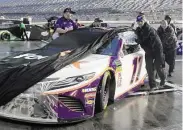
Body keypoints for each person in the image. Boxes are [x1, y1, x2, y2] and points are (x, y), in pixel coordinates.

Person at [135, 15, 166, 90]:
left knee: (158, 67)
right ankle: (153, 85)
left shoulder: (148, 28)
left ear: (144, 21)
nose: (139, 23)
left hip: (157, 50)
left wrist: (134, 39)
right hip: (149, 50)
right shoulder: (139, 29)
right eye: (138, 22)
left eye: (141, 21)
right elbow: (138, 36)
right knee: (149, 68)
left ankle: (163, 79)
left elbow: (141, 40)